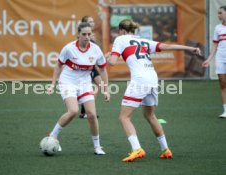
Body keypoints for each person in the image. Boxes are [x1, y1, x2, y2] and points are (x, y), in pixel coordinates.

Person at [107, 19, 201, 162]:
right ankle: (165, 149)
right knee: (150, 115)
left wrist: (108, 57)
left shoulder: (120, 39)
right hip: (152, 79)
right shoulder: (144, 41)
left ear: (121, 31)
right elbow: (168, 46)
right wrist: (190, 49)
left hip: (139, 80)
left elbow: (112, 62)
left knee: (124, 117)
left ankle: (137, 149)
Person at [45, 22, 110, 155]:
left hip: (85, 83)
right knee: (73, 110)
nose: (87, 37)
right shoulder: (69, 48)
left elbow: (103, 69)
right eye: (84, 34)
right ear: (78, 35)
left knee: (91, 114)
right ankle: (53, 135)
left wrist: (106, 89)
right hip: (68, 81)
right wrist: (52, 84)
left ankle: (97, 146)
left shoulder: (95, 49)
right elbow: (58, 66)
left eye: (89, 34)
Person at [202, 5, 226, 118]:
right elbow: (215, 45)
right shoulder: (218, 28)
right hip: (220, 58)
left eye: (220, 13)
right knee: (222, 83)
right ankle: (225, 110)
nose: (218, 15)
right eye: (217, 13)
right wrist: (209, 59)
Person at [79, 16, 103, 119]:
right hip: (86, 67)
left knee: (99, 85)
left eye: (93, 21)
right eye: (90, 22)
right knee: (97, 85)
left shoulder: (91, 36)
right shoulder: (85, 37)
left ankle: (85, 111)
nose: (93, 23)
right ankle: (87, 110)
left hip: (91, 66)